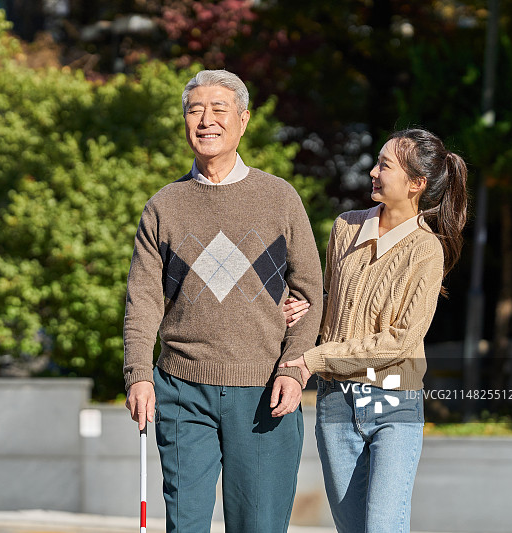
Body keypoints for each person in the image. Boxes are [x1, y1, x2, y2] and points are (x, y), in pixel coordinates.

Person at [123, 69, 323, 533]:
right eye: (195, 110)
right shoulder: (163, 205)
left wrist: (295, 369)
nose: (206, 120)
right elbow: (143, 301)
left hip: (264, 392)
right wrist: (137, 373)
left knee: (259, 526)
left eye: (219, 109)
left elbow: (311, 295)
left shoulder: (280, 198)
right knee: (185, 525)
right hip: (180, 389)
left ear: (244, 120)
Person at [281, 128, 468, 533]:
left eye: (385, 165)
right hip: (336, 402)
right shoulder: (345, 228)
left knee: (383, 526)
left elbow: (400, 340)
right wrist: (310, 308)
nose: (372, 171)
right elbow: (339, 301)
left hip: (394, 403)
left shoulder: (426, 250)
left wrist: (316, 357)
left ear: (416, 184)